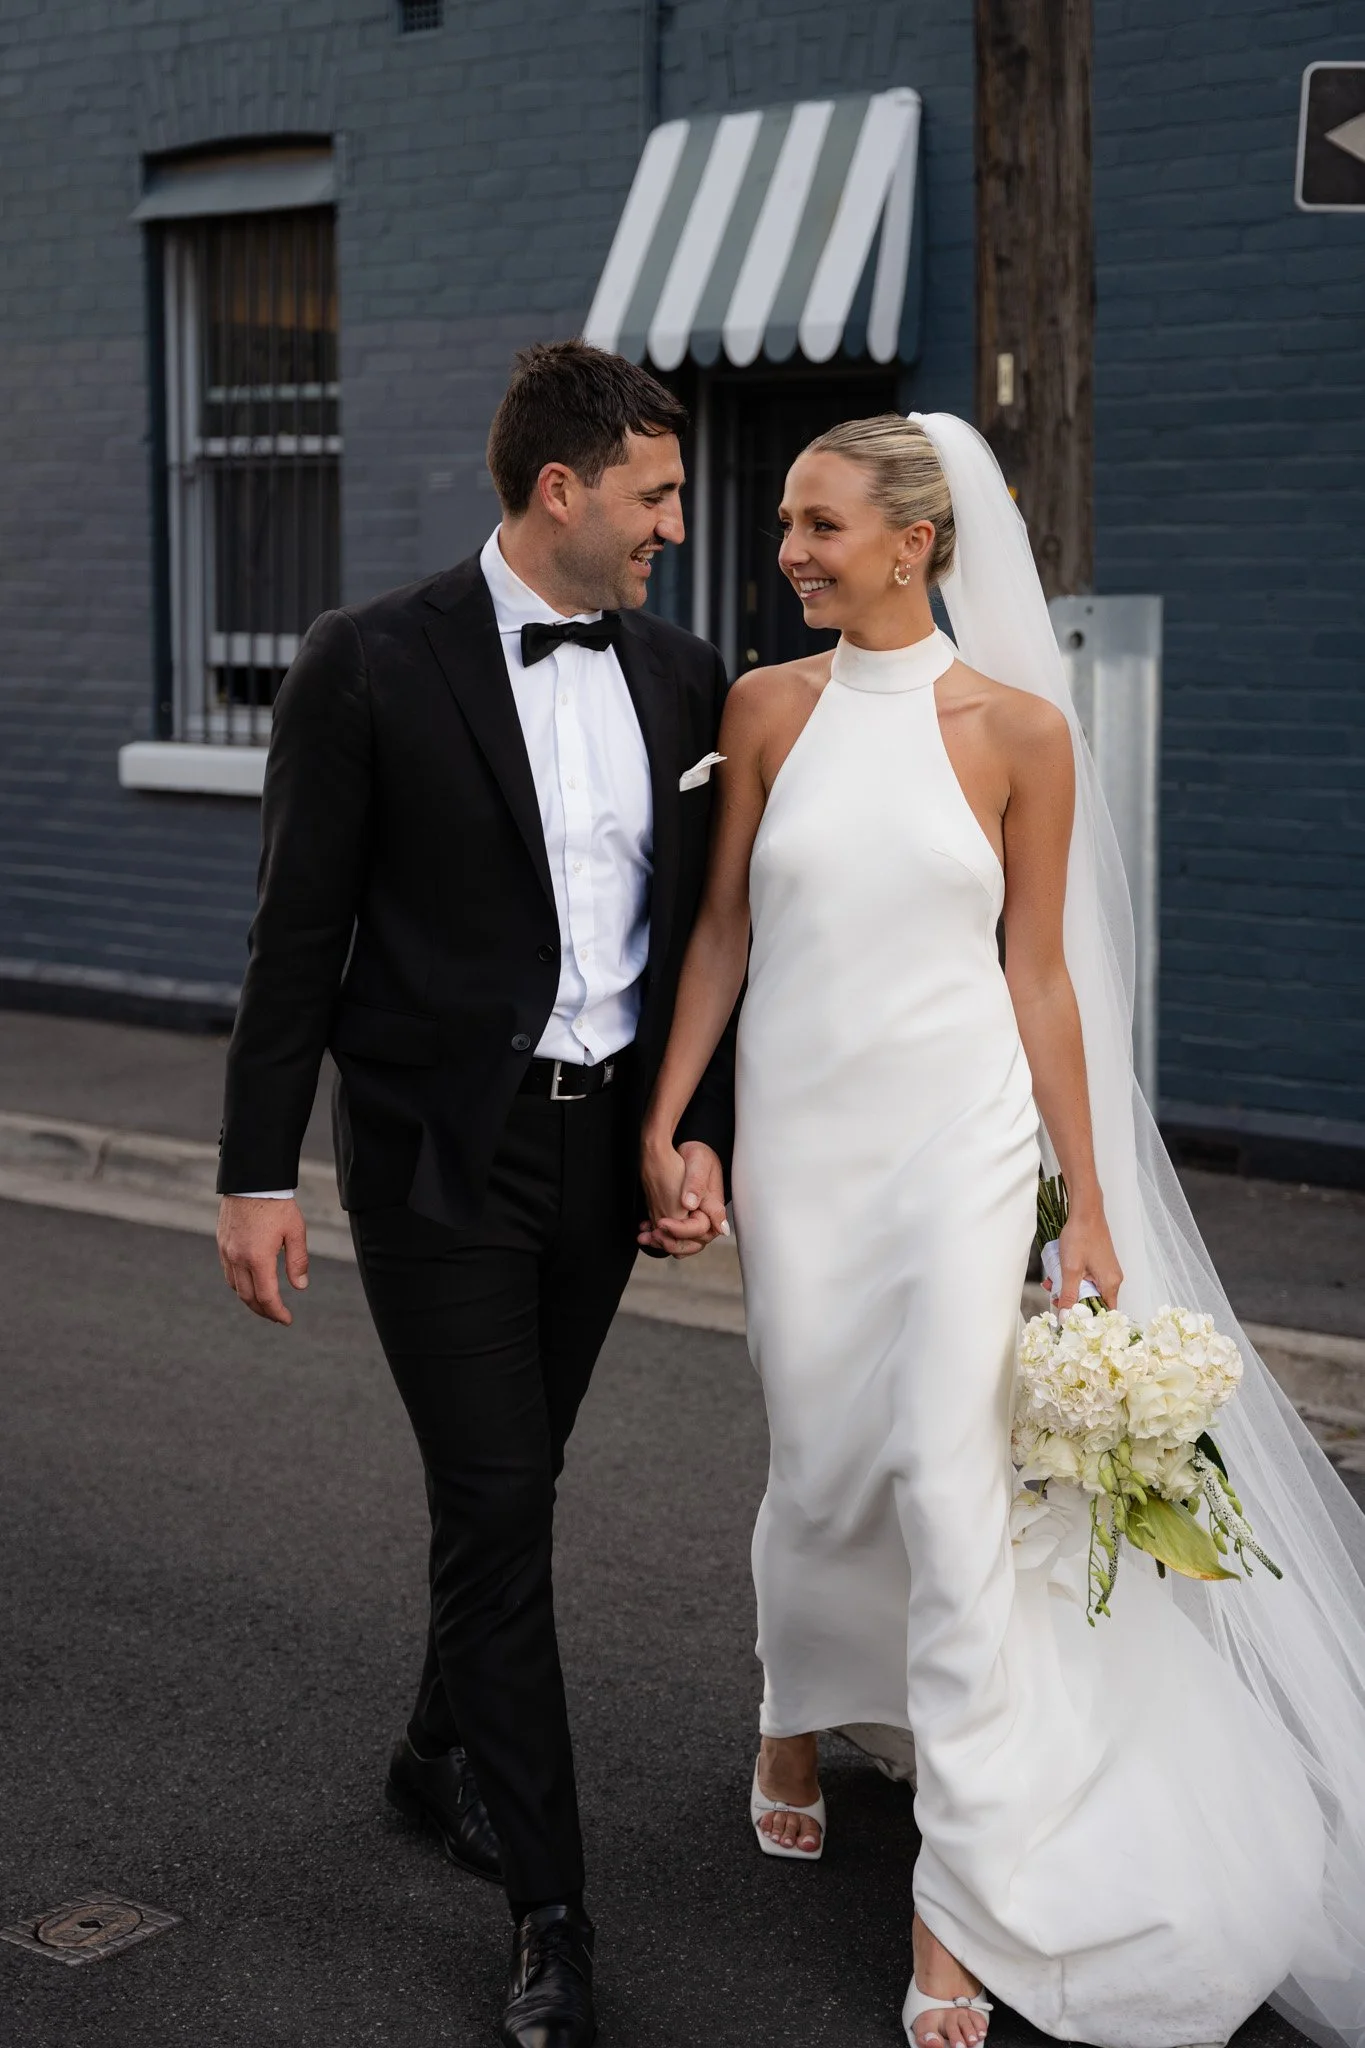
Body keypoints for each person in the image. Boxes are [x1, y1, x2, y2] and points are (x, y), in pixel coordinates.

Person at [643, 412, 1365, 2048]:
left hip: (958, 1150)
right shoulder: (767, 708)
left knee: (951, 1492)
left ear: (917, 542)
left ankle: (954, 1901)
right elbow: (725, 928)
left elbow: (1040, 976)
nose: (788, 551)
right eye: (787, 524)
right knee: (819, 1463)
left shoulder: (1021, 731)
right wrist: (668, 1118)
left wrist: (1087, 1198)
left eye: (820, 526)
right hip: (804, 1148)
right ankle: (794, 1712)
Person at [216, 340, 734, 2048]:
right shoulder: (368, 659)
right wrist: (254, 1173)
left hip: (602, 1152)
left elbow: (706, 940)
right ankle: (552, 1916)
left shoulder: (684, 674)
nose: (677, 524)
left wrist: (695, 1130)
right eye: (657, 494)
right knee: (502, 1499)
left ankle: (436, 1749)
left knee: (512, 1488)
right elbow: (298, 932)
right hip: (442, 1153)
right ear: (561, 488)